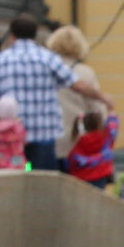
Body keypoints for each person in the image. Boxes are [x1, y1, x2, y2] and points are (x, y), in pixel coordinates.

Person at [0, 15, 113, 174]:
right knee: (43, 182)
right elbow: (78, 85)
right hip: (43, 135)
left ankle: (24, 182)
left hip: (11, 138)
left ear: (12, 35)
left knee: (19, 176)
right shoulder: (48, 59)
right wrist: (103, 98)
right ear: (35, 36)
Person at [45, 25, 109, 163]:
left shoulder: (44, 68)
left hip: (47, 140)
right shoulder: (86, 73)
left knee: (35, 173)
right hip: (76, 142)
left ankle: (28, 171)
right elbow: (97, 109)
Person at [64, 108, 114, 188]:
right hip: (100, 178)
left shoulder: (80, 142)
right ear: (100, 124)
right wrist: (111, 112)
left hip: (81, 180)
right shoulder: (106, 139)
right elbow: (113, 125)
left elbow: (70, 162)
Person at [0, 96, 26, 171]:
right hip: (16, 163)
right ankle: (27, 175)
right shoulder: (18, 127)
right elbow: (24, 140)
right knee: (28, 166)